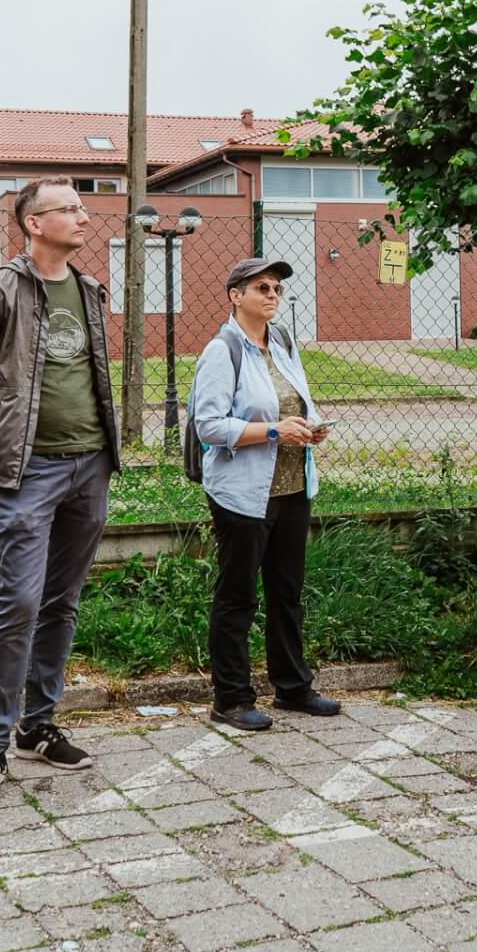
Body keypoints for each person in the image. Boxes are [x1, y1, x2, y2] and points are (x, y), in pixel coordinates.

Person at [0, 179, 123, 804]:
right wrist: (9, 442)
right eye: (69, 209)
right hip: (31, 473)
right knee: (19, 603)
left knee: (61, 601)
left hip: (91, 466)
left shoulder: (92, 289)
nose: (83, 216)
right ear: (33, 223)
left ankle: (38, 727)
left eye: (82, 207)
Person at [189, 258, 339, 731]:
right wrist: (275, 430)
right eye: (261, 287)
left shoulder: (282, 343)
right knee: (237, 597)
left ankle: (293, 688)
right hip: (243, 494)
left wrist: (309, 429)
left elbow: (295, 404)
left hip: (293, 488)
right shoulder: (222, 350)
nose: (272, 295)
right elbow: (208, 426)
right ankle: (230, 699)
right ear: (236, 295)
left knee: (286, 593)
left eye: (276, 288)